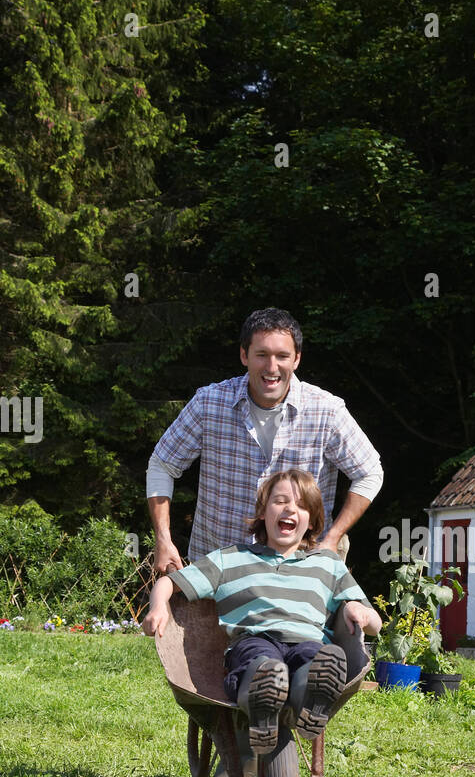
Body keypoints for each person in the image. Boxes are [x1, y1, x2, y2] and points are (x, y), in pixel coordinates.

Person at [142, 469, 382, 752]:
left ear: (312, 520)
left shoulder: (327, 564)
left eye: (302, 505)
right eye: (280, 501)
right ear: (263, 512)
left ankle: (311, 701)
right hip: (254, 640)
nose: (290, 509)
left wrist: (359, 610)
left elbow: (375, 625)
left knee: (316, 661)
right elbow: (168, 583)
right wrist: (158, 607)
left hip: (308, 642)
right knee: (262, 662)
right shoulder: (231, 558)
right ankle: (262, 701)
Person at [146, 307, 383, 574]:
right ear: (244, 355)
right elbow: (162, 464)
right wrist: (163, 539)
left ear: (296, 359)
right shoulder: (208, 404)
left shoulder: (326, 411)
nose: (272, 367)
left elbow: (370, 472)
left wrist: (332, 538)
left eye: (282, 356)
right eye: (262, 355)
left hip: (299, 573)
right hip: (215, 571)